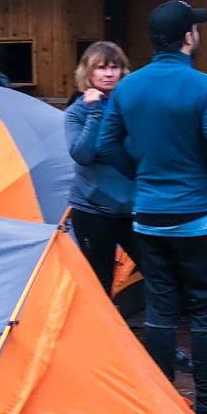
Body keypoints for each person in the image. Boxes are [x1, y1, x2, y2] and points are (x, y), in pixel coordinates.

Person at [95, 0, 207, 414]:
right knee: (206, 314)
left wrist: (143, 177)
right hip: (201, 220)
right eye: (195, 29)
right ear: (187, 38)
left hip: (149, 220)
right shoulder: (205, 87)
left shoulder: (128, 88)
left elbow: (107, 145)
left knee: (160, 312)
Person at [64, 41, 134, 294]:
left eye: (115, 67)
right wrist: (94, 112)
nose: (108, 73)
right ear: (88, 72)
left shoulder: (130, 107)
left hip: (132, 208)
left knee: (158, 269)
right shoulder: (76, 112)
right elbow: (82, 154)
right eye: (101, 68)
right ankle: (104, 332)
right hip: (93, 209)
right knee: (99, 280)